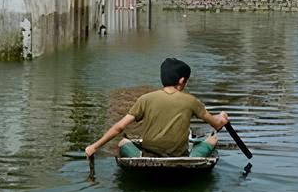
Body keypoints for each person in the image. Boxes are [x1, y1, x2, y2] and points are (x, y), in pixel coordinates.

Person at [84, 58, 230, 159]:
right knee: (212, 140)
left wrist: (94, 147)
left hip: (149, 155)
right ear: (182, 80)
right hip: (179, 156)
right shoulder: (191, 101)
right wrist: (222, 117)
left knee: (123, 142)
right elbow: (216, 124)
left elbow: (119, 127)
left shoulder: (145, 99)